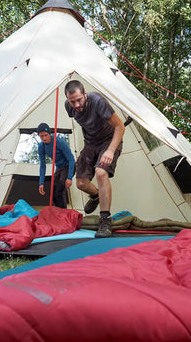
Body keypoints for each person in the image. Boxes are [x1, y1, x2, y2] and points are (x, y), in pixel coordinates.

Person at [64, 80, 125, 237]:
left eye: (79, 100)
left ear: (85, 94)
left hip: (109, 139)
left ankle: (105, 220)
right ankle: (96, 195)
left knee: (101, 172)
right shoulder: (68, 107)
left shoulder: (97, 101)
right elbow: (85, 122)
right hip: (90, 143)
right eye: (72, 102)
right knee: (81, 183)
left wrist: (110, 151)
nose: (76, 105)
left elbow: (120, 126)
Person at [37, 122, 75, 209]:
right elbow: (43, 165)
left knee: (59, 192)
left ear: (49, 133)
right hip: (59, 168)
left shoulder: (59, 142)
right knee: (53, 194)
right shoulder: (41, 147)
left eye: (46, 135)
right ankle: (59, 213)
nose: (44, 138)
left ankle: (64, 214)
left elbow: (71, 159)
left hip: (68, 166)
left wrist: (69, 177)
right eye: (41, 136)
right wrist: (41, 183)